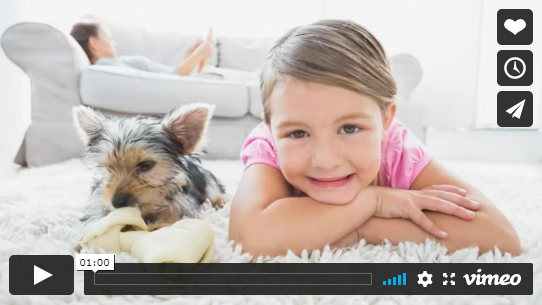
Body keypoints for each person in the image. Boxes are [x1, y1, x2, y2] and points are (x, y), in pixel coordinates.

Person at [228, 19, 521, 258]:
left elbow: (500, 238)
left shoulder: (396, 149)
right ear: (270, 127)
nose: (326, 160)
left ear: (385, 121)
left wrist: (363, 228)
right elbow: (247, 239)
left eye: (350, 128)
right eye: (298, 133)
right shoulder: (268, 145)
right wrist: (374, 201)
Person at [70, 22, 213, 76]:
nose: (115, 44)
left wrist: (189, 57)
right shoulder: (105, 67)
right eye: (108, 39)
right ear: (94, 43)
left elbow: (169, 77)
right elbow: (170, 79)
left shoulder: (112, 66)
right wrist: (198, 55)